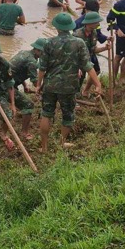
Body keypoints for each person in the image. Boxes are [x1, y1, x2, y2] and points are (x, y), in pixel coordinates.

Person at [36, 13, 102, 153]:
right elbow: (87, 66)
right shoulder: (79, 43)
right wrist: (97, 84)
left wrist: (38, 84)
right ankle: (62, 143)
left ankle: (44, 147)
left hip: (50, 85)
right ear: (70, 27)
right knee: (67, 115)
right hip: (69, 86)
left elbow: (42, 68)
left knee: (46, 114)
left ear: (56, 27)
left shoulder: (48, 43)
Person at [9, 38, 47, 140]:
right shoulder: (32, 62)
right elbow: (36, 82)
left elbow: (18, 70)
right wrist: (44, 90)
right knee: (28, 105)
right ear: (37, 51)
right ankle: (24, 133)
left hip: (7, 82)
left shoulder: (24, 53)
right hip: (7, 86)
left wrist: (25, 85)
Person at [74, 11, 109, 97]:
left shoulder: (94, 33)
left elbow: (93, 50)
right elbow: (72, 53)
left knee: (92, 73)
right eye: (97, 22)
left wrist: (105, 48)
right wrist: (77, 67)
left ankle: (81, 94)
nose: (98, 24)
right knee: (76, 82)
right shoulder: (77, 35)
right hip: (77, 61)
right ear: (90, 23)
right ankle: (75, 100)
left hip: (86, 60)